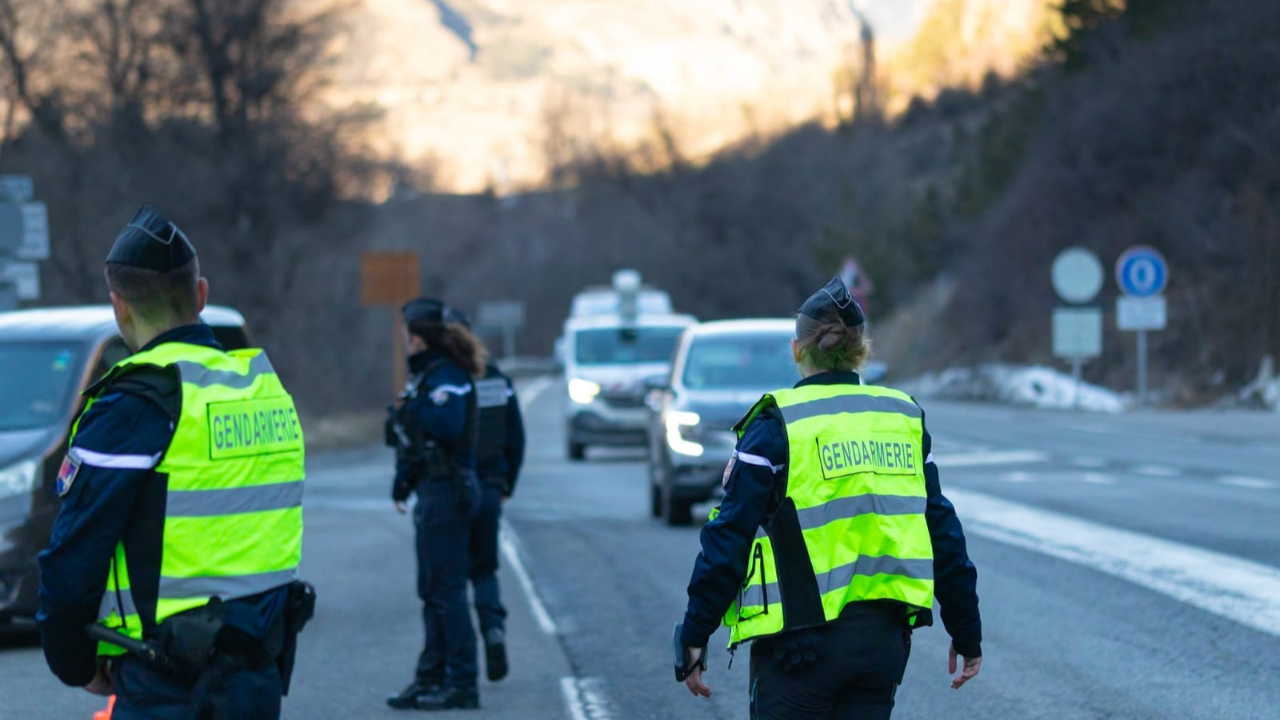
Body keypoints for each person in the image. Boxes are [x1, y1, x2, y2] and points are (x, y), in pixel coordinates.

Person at [38, 206, 314, 720]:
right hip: (257, 675)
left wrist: (77, 666)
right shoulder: (264, 390)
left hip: (166, 681)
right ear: (202, 295)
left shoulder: (136, 404)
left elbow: (74, 558)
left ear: (119, 308)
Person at [674, 277, 982, 719]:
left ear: (798, 350)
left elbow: (729, 537)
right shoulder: (901, 418)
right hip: (883, 647)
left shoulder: (777, 424)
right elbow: (943, 534)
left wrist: (695, 632)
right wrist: (966, 630)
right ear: (862, 350)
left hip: (799, 651)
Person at [386, 298, 486, 712]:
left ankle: (462, 683)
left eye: (406, 336)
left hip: (449, 493)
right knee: (432, 590)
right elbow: (417, 442)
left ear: (416, 337)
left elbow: (446, 426)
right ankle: (431, 676)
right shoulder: (429, 376)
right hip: (433, 490)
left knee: (446, 592)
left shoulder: (446, 377)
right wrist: (403, 482)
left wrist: (417, 404)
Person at [421, 306, 525, 683]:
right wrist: (506, 483)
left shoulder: (442, 383)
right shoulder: (496, 379)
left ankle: (451, 663)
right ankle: (493, 632)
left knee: (447, 580)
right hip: (491, 490)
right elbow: (516, 437)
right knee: (484, 569)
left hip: (452, 489)